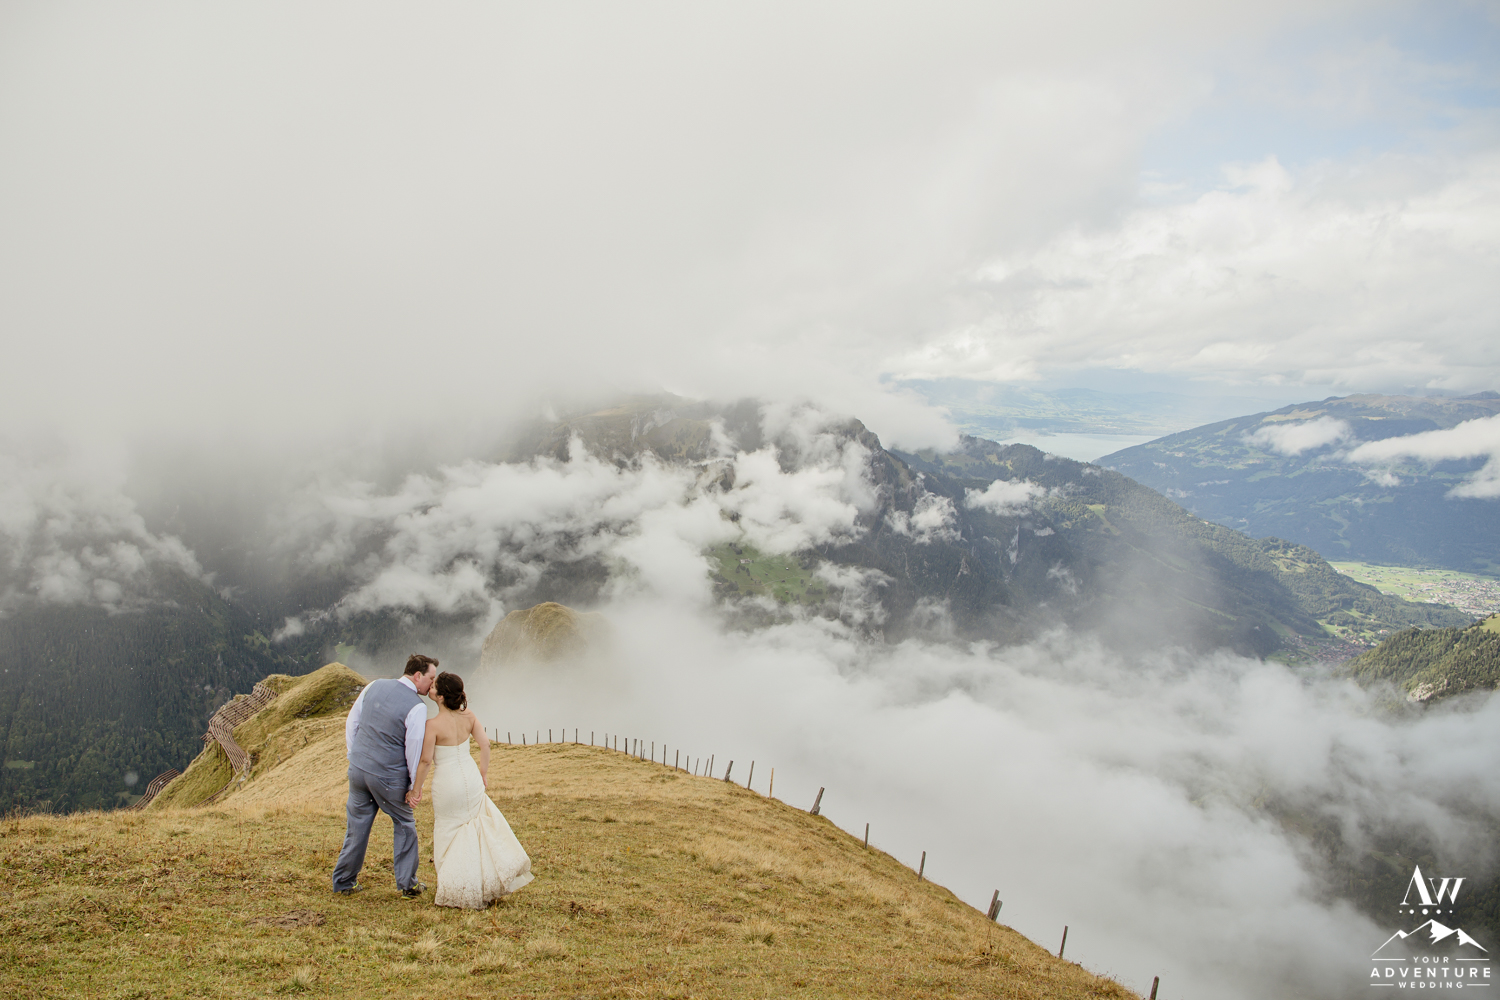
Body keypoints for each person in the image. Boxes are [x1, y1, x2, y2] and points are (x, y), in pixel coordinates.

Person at [410, 671, 533, 908]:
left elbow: (425, 762)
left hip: (448, 783)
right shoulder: (469, 717)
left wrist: (416, 790)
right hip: (470, 777)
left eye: (435, 686)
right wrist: (483, 772)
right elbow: (485, 744)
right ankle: (484, 883)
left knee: (450, 831)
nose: (431, 688)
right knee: (476, 829)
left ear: (442, 697)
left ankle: (459, 886)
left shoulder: (432, 725)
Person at [331, 653, 439, 897]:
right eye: (431, 678)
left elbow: (353, 721)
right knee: (404, 823)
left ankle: (344, 882)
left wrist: (354, 755)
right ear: (418, 675)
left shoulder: (374, 685)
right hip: (388, 777)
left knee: (357, 825)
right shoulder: (416, 707)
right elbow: (413, 748)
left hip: (358, 770)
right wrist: (413, 786)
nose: (432, 684)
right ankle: (408, 884)